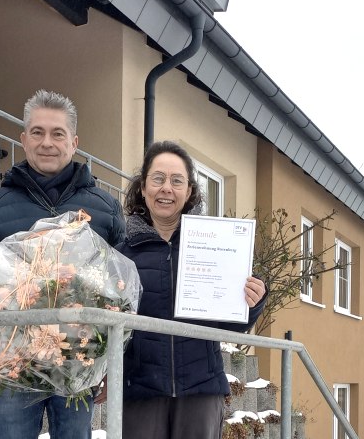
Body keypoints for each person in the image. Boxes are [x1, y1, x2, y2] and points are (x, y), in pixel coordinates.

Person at [0, 89, 125, 438]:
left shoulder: (105, 209)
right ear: (23, 139)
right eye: (37, 132)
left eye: (57, 133)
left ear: (74, 141)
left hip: (78, 364)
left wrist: (111, 363)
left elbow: (120, 291)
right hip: (12, 367)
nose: (47, 142)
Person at [112, 140, 267, 439]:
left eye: (176, 180)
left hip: (200, 389)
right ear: (143, 188)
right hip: (141, 391)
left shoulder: (215, 250)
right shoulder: (121, 256)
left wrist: (252, 300)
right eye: (157, 179)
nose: (166, 188)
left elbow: (231, 324)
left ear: (189, 192)